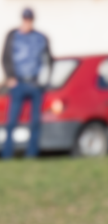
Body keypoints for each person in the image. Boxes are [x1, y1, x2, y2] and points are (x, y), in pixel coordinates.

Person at [2, 7, 52, 159]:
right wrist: (10, 76)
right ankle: (7, 153)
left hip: (35, 84)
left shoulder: (40, 37)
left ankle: (31, 154)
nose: (27, 23)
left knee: (35, 121)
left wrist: (45, 79)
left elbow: (49, 59)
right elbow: (5, 57)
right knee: (11, 121)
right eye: (25, 19)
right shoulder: (13, 35)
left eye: (29, 20)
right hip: (18, 83)